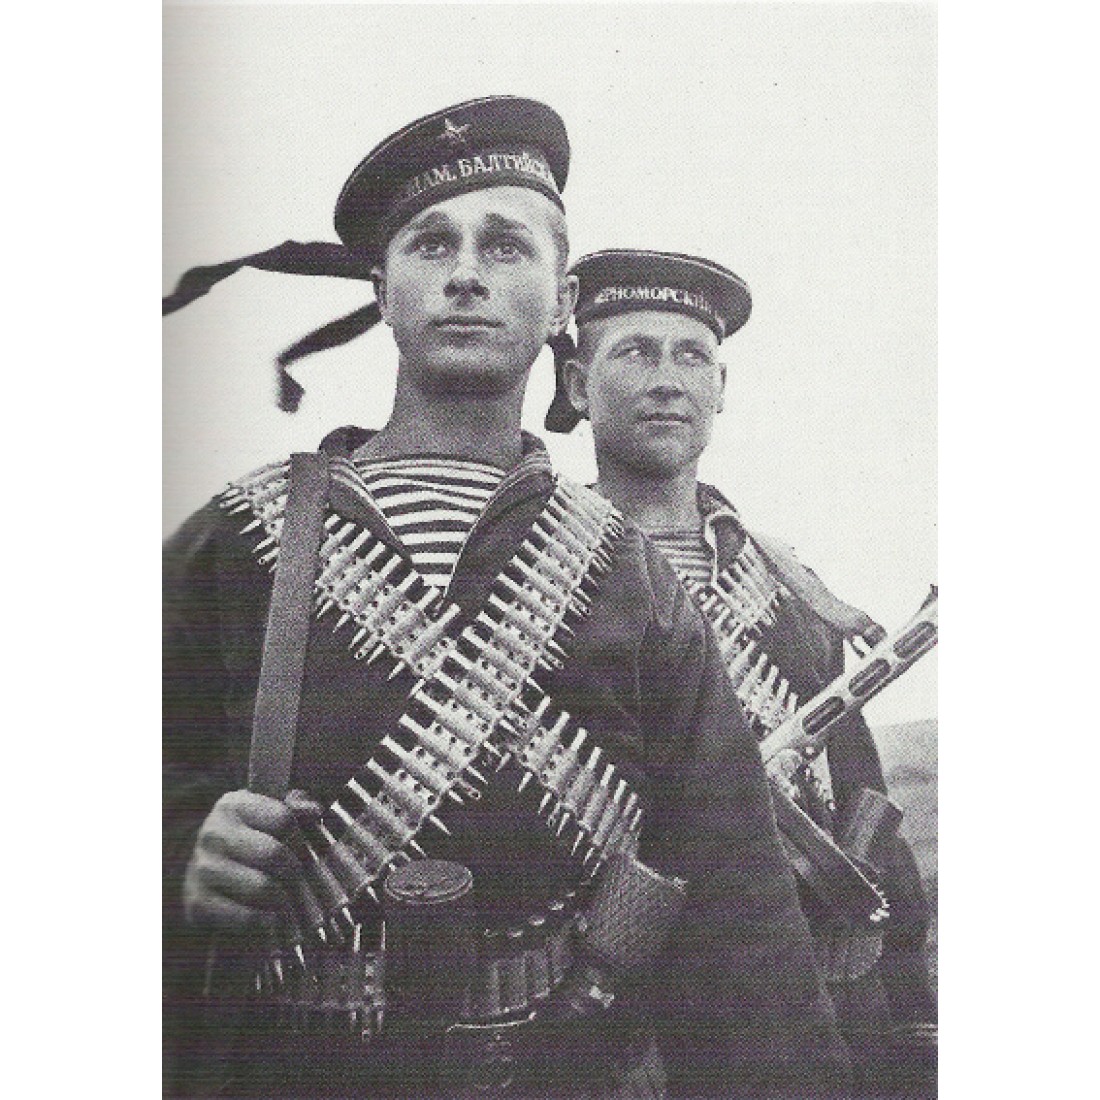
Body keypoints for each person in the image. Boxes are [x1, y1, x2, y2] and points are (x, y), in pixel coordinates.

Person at [163, 99, 854, 1099]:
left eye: (504, 246)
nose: (465, 274)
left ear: (562, 299)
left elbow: (734, 906)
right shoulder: (238, 536)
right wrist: (180, 847)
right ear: (382, 290)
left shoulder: (632, 574)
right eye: (430, 244)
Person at [547, 249, 937, 1098]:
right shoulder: (548, 578)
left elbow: (861, 798)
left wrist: (907, 1017)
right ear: (577, 385)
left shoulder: (788, 588)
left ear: (720, 388)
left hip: (807, 996)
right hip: (632, 1014)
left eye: (692, 356)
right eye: (635, 352)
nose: (667, 380)